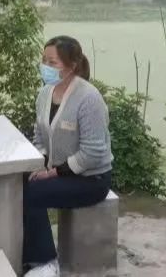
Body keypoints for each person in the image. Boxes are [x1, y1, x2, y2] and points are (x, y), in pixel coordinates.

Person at [23, 36, 114, 277]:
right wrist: (42, 163)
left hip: (91, 179)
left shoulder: (89, 98)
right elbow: (39, 136)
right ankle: (27, 253)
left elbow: (92, 153)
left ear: (72, 66)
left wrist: (53, 173)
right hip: (59, 172)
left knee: (32, 193)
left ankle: (46, 262)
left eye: (52, 62)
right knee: (18, 182)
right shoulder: (45, 94)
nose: (45, 67)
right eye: (44, 60)